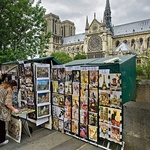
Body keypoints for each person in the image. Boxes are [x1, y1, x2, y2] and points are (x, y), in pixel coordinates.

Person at [0, 80, 19, 147]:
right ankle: (2, 141)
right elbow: (7, 104)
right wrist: (14, 109)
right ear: (13, 86)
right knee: (1, 125)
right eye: (15, 88)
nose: (15, 89)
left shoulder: (2, 86)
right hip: (1, 110)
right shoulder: (9, 90)